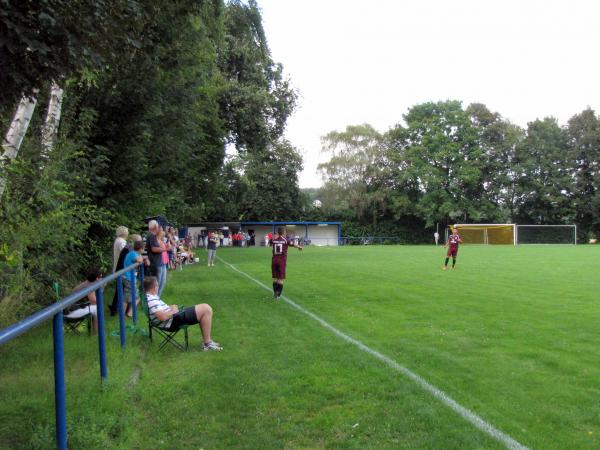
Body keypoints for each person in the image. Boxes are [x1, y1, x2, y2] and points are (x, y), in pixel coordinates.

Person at [143, 276, 222, 351]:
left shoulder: (151, 297)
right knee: (206, 309)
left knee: (204, 309)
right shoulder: (151, 300)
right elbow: (162, 317)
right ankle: (207, 343)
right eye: (157, 285)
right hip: (172, 322)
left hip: (173, 318)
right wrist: (173, 311)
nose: (158, 287)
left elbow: (162, 310)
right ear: (154, 287)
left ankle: (207, 342)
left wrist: (172, 307)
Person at [64, 268, 102, 333]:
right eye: (101, 277)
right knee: (97, 308)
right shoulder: (90, 285)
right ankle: (97, 333)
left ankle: (96, 332)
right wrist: (101, 289)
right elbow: (94, 301)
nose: (102, 279)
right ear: (97, 278)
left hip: (69, 310)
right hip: (70, 313)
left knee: (94, 307)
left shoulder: (87, 283)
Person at [271, 227, 303, 299]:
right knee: (281, 278)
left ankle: (275, 293)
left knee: (275, 278)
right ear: (283, 232)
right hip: (281, 261)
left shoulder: (274, 240)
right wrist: (299, 247)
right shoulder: (285, 240)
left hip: (274, 260)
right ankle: (278, 295)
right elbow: (293, 244)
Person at [122, 240, 145, 317]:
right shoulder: (133, 254)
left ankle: (128, 313)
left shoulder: (133, 253)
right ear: (140, 249)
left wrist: (143, 258)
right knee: (134, 297)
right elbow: (139, 260)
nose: (144, 250)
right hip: (129, 278)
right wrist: (142, 259)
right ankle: (128, 313)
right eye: (143, 248)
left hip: (129, 278)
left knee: (132, 296)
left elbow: (140, 259)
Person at [146, 220, 167, 294]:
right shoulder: (151, 235)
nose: (159, 228)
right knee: (157, 286)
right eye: (158, 226)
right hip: (156, 264)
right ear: (155, 227)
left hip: (160, 263)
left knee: (162, 283)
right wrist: (166, 249)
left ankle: (157, 300)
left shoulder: (153, 236)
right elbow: (154, 249)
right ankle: (155, 301)